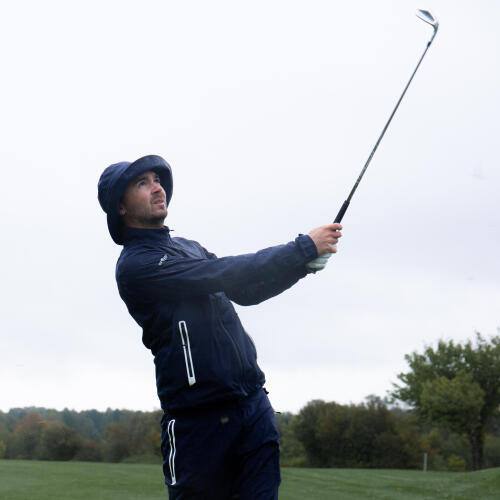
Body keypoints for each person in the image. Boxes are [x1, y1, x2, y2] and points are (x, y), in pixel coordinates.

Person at [97, 155, 342, 499]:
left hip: (252, 407)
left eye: (157, 179)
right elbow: (221, 273)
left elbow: (246, 290)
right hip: (198, 424)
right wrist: (302, 248)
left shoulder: (189, 248)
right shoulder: (137, 266)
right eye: (142, 183)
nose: (157, 188)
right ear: (120, 207)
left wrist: (302, 266)